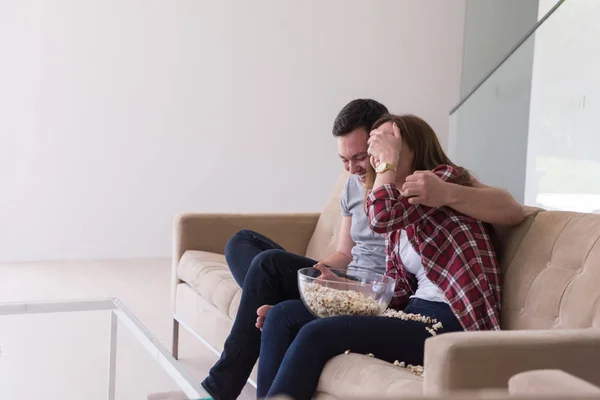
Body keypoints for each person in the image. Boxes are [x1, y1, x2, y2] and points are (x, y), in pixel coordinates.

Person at [201, 100, 522, 400]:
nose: (369, 163)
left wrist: (390, 166)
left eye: (377, 153)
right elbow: (394, 287)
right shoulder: (401, 210)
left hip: (452, 322)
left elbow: (381, 216)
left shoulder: (438, 181)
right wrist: (320, 288)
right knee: (282, 315)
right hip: (409, 308)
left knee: (316, 335)